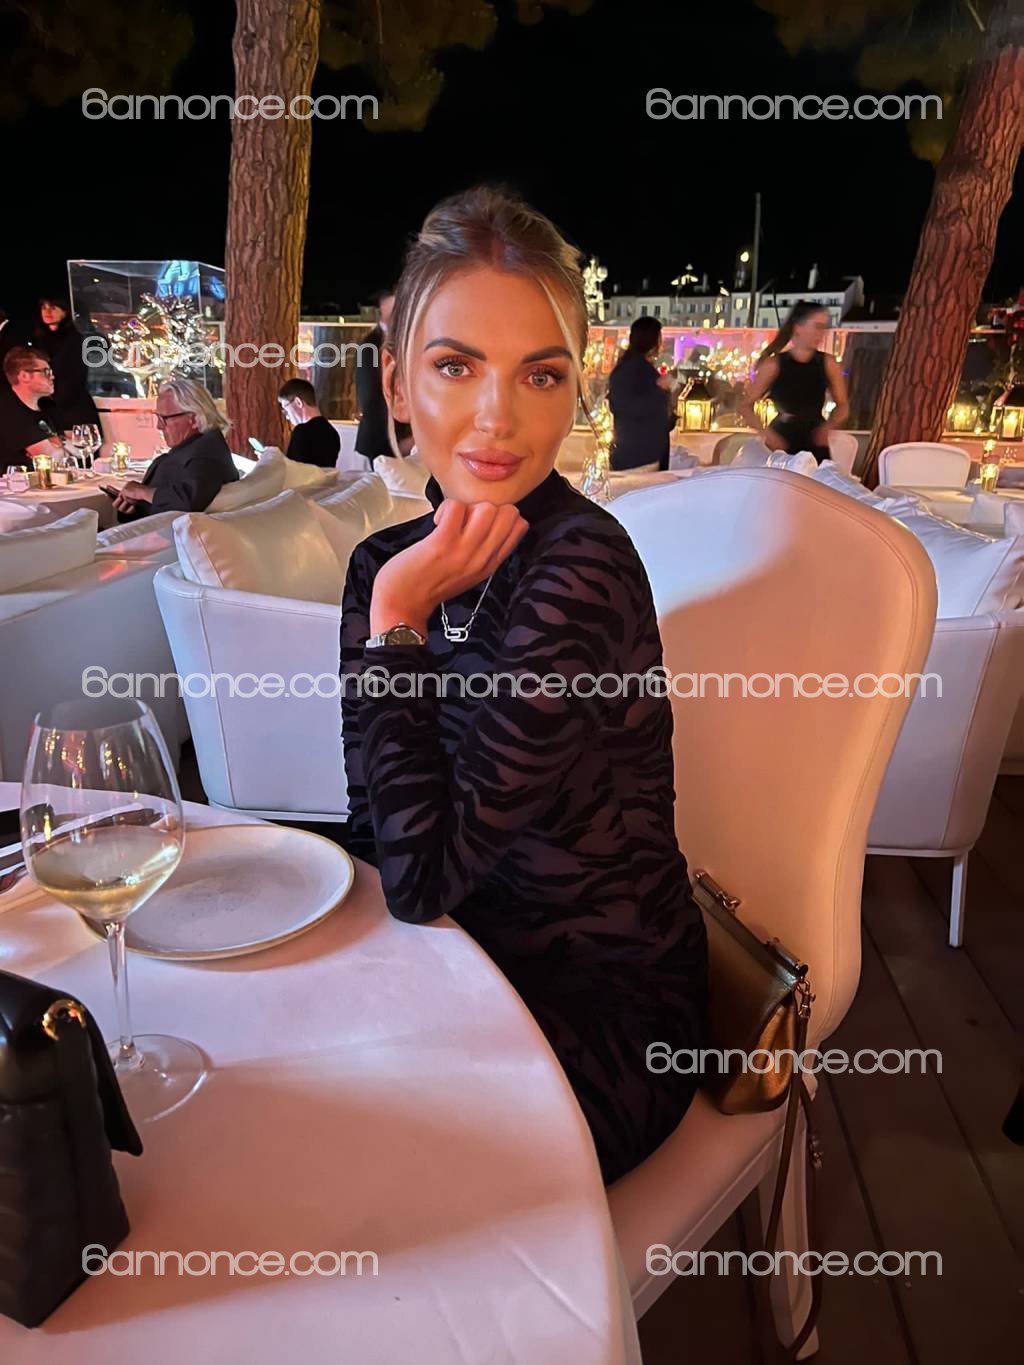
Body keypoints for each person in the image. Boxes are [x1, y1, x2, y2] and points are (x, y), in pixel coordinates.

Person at [335, 187, 708, 1185]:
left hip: (600, 1013)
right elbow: (377, 827)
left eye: (540, 374)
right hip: (448, 970)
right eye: (456, 366)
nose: (498, 417)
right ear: (397, 384)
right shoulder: (384, 565)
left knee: (339, 1175)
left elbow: (421, 878)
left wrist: (398, 624)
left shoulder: (581, 564)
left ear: (574, 390)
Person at [112, 377, 238, 521]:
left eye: (164, 418)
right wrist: (134, 508)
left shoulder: (206, 456)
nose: (159, 426)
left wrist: (143, 492)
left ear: (194, 419)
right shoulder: (198, 447)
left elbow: (189, 501)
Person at [740, 301, 850, 463]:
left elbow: (843, 406)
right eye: (817, 326)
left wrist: (828, 426)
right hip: (781, 438)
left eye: (824, 328)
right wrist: (768, 434)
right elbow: (744, 406)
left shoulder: (828, 363)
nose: (822, 333)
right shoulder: (774, 364)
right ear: (798, 327)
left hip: (815, 437)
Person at [607, 316, 678, 472]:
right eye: (659, 337)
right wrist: (660, 390)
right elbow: (626, 407)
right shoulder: (632, 370)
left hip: (640, 453)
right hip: (638, 456)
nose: (661, 343)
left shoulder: (636, 368)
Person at [354, 290, 413, 459]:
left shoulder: (396, 341)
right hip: (383, 441)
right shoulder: (371, 346)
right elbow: (372, 399)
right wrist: (399, 442)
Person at [32, 293, 102, 432]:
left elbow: (76, 375)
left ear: (65, 311)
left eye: (53, 308)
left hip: (72, 407)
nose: (47, 312)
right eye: (44, 308)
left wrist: (55, 397)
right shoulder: (38, 340)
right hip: (48, 408)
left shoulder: (74, 339)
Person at [0, 347, 65, 473]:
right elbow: (51, 458)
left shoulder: (43, 408)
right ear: (24, 376)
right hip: (14, 484)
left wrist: (58, 443)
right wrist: (57, 445)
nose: (52, 377)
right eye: (46, 372)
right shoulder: (10, 411)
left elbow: (67, 453)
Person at [278, 377, 341, 467]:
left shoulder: (302, 432)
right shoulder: (332, 432)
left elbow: (292, 471)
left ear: (298, 402)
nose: (287, 417)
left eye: (286, 409)